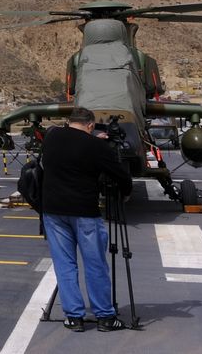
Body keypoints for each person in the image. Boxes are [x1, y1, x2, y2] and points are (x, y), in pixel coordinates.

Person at [41, 106, 132, 333]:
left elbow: (69, 145)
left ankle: (74, 317)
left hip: (53, 210)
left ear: (70, 121)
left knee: (65, 265)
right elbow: (120, 175)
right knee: (95, 264)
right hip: (83, 212)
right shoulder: (95, 146)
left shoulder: (52, 138)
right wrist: (126, 191)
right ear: (90, 125)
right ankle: (104, 316)